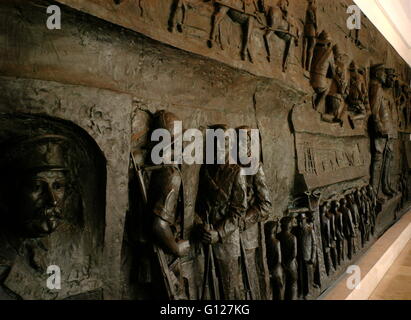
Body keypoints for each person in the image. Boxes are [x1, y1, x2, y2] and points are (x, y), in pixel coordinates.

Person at [0, 135, 73, 299]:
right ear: (6, 194)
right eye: (36, 186)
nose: (53, 200)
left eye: (58, 186)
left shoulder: (59, 252)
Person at [196, 124, 248, 300]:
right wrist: (201, 224)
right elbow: (199, 204)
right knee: (210, 289)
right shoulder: (205, 170)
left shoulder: (236, 172)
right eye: (216, 141)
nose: (220, 145)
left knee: (229, 290)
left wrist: (218, 233)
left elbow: (239, 211)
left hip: (226, 241)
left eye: (225, 141)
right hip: (205, 237)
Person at [236, 126, 271, 300]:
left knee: (250, 279)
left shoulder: (255, 167)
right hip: (229, 237)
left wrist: (244, 220)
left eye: (245, 142)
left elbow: (265, 205)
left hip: (248, 235)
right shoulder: (230, 168)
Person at [277, 216, 298, 300]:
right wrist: (287, 264)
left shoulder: (278, 236)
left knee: (284, 285)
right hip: (291, 265)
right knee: (292, 284)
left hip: (281, 264)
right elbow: (294, 254)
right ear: (289, 226)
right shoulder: (293, 237)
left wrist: (283, 264)